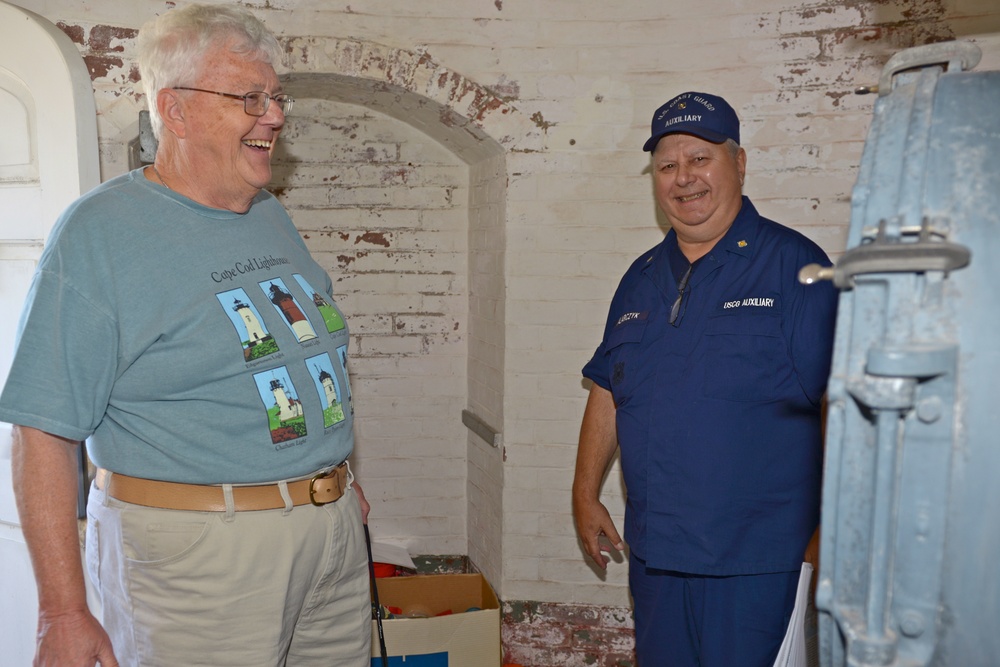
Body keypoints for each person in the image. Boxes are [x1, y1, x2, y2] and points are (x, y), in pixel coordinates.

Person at [0, 5, 372, 666]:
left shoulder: (266, 211)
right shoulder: (101, 233)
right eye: (250, 97)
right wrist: (63, 609)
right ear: (175, 111)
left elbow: (298, 351)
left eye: (276, 96)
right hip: (199, 559)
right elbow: (43, 428)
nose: (275, 115)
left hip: (329, 538)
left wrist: (331, 472)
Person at [572, 91, 838, 666]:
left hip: (758, 562)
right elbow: (610, 389)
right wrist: (585, 491)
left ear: (738, 164)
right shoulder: (640, 278)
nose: (683, 178)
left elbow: (839, 409)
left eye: (700, 158)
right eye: (667, 165)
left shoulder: (801, 269)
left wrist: (826, 537)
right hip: (658, 559)